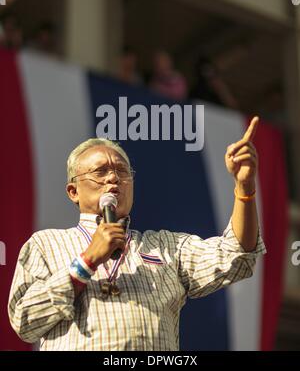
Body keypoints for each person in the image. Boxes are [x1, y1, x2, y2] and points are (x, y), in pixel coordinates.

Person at [8, 117, 266, 351]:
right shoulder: (45, 244)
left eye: (122, 172)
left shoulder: (166, 246)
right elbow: (24, 321)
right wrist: (86, 263)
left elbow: (237, 254)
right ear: (73, 191)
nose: (113, 178)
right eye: (100, 172)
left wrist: (244, 188)